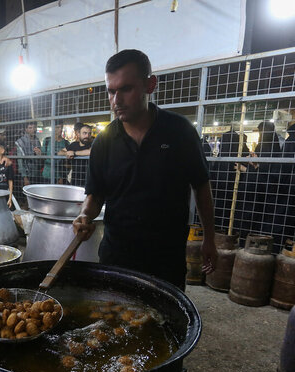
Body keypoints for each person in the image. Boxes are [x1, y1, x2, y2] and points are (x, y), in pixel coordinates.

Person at [72, 49, 217, 290]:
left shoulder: (179, 132)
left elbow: (201, 186)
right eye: (111, 91)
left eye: (126, 89)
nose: (116, 100)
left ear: (150, 85)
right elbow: (95, 195)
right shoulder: (104, 141)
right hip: (117, 256)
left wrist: (209, 239)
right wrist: (85, 215)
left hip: (165, 258)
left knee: (166, 323)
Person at [15, 121, 43, 186]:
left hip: (36, 173)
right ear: (26, 129)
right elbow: (20, 161)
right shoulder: (21, 141)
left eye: (34, 127)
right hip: (27, 174)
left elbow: (40, 159)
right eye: (30, 128)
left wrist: (39, 154)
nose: (33, 130)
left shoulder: (37, 141)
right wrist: (25, 177)